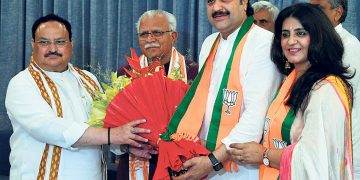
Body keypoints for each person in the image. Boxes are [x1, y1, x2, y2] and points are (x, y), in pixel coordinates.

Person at [5, 14, 150, 180]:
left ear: (71, 44)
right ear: (33, 44)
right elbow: (51, 129)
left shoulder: (88, 79)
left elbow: (103, 124)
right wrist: (114, 135)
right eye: (44, 42)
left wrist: (125, 145)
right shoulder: (22, 83)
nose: (52, 48)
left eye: (60, 42)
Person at [228, 3, 354, 179]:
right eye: (285, 34)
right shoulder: (291, 79)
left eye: (301, 33)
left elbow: (313, 159)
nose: (291, 41)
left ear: (318, 37)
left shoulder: (325, 89)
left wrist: (264, 155)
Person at [167, 0, 281, 179]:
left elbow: (257, 115)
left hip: (240, 166)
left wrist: (213, 160)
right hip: (203, 158)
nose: (217, 7)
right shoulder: (210, 42)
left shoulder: (264, 43)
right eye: (211, 1)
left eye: (225, 0)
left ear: (244, 3)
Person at [116, 10, 199, 180]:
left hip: (183, 163)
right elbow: (112, 127)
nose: (149, 39)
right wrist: (125, 146)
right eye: (144, 34)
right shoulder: (125, 75)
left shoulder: (194, 73)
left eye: (157, 33)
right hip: (138, 161)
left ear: (174, 36)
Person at [308, 1, 360, 178]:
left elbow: (341, 104)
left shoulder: (348, 46)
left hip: (342, 146)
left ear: (337, 12)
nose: (311, 14)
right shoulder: (310, 43)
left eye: (319, 9)